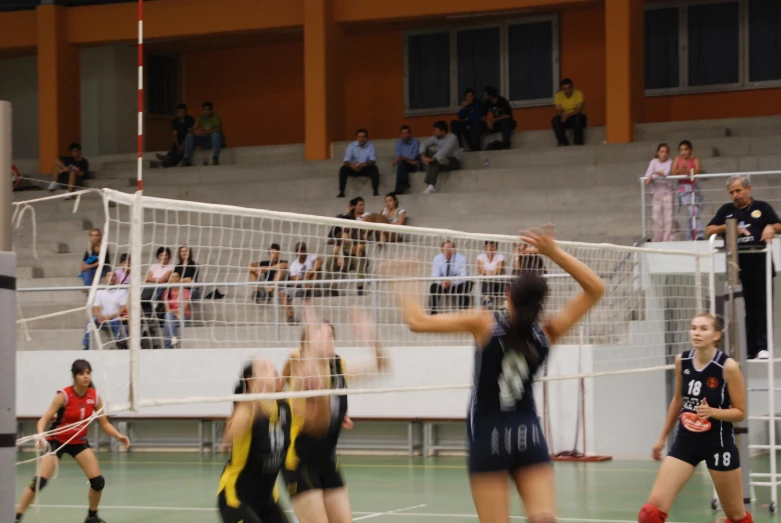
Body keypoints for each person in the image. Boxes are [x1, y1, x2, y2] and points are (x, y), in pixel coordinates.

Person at [399, 225, 604, 523]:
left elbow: (416, 322)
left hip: (488, 436)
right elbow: (596, 288)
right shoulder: (547, 333)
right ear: (541, 303)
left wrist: (405, 279)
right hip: (528, 434)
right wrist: (554, 252)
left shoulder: (485, 324)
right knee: (544, 517)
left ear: (507, 294)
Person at [640, 313, 750, 523]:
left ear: (716, 335)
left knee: (737, 517)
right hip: (686, 441)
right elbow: (677, 400)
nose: (697, 333)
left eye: (703, 329)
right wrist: (662, 438)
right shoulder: (682, 361)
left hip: (718, 444)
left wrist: (713, 412)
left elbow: (741, 412)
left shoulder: (728, 367)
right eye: (694, 328)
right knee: (650, 513)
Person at [282, 310, 387, 523]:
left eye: (331, 336)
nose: (328, 340)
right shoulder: (299, 369)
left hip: (328, 460)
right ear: (308, 343)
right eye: (320, 336)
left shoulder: (338, 366)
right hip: (299, 463)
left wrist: (373, 337)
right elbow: (314, 425)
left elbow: (382, 365)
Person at [15, 359, 131, 523]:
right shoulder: (63, 396)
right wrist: (40, 435)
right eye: (81, 373)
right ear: (74, 377)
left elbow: (104, 423)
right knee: (39, 482)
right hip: (57, 442)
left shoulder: (95, 397)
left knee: (98, 482)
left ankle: (92, 517)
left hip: (78, 442)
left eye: (88, 373)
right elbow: (44, 419)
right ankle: (16, 517)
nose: (85, 377)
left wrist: (118, 436)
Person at [706, 175, 781, 360]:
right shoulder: (727, 210)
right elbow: (709, 230)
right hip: (737, 264)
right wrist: (728, 227)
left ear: (748, 189)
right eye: (732, 192)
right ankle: (746, 348)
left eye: (738, 190)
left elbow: (779, 224)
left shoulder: (762, 207)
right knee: (741, 306)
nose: (735, 195)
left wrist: (770, 228)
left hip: (760, 261)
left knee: (761, 306)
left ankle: (762, 347)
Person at [218, 359, 291, 523]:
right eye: (265, 368)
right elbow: (228, 439)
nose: (273, 369)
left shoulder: (285, 407)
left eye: (273, 366)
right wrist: (248, 410)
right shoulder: (247, 409)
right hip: (236, 498)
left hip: (267, 499)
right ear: (252, 382)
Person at [83, 271, 128, 350]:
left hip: (115, 318)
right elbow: (95, 307)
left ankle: (120, 344)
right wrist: (99, 316)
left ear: (116, 278)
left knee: (116, 322)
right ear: (105, 279)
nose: (111, 278)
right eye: (108, 276)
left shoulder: (122, 291)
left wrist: (111, 316)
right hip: (103, 319)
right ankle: (86, 346)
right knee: (90, 322)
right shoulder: (99, 291)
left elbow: (123, 308)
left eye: (113, 276)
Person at [672, 140, 704, 240]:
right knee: (692, 211)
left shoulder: (695, 160)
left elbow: (698, 170)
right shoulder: (678, 159)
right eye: (681, 150)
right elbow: (673, 172)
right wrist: (680, 170)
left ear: (690, 150)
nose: (683, 152)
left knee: (693, 212)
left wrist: (689, 171)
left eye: (686, 149)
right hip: (683, 188)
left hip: (694, 187)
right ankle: (699, 234)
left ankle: (691, 237)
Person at [420, 121, 460, 194]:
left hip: (452, 160)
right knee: (430, 154)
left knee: (436, 161)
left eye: (436, 130)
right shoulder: (435, 137)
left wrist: (432, 159)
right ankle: (430, 186)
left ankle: (431, 185)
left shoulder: (452, 137)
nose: (434, 132)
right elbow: (424, 143)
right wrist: (423, 156)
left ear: (443, 131)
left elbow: (446, 150)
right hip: (439, 159)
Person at [645, 143, 675, 242]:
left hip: (667, 192)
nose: (664, 154)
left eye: (666, 152)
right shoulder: (653, 161)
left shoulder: (670, 161)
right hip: (657, 193)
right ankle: (657, 239)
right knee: (656, 217)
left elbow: (666, 173)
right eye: (662, 152)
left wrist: (654, 174)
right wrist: (654, 175)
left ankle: (668, 239)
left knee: (668, 218)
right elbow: (647, 174)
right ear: (657, 153)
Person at [338, 129, 379, 198]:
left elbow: (373, 160)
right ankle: (341, 192)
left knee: (374, 168)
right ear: (356, 138)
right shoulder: (351, 146)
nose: (361, 139)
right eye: (359, 137)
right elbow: (346, 160)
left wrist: (364, 164)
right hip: (353, 168)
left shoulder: (371, 145)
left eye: (363, 137)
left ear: (366, 138)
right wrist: (351, 165)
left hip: (364, 167)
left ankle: (375, 191)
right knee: (343, 169)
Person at [183, 101, 223, 166]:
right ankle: (186, 159)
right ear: (203, 110)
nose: (206, 111)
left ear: (211, 110)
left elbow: (218, 129)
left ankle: (215, 159)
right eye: (205, 109)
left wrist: (204, 132)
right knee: (189, 135)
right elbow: (194, 127)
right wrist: (192, 130)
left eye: (208, 109)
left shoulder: (215, 117)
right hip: (204, 141)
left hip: (213, 141)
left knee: (215, 134)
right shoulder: (201, 118)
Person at [157, 103, 195, 168]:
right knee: (175, 148)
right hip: (179, 140)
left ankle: (168, 161)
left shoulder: (190, 120)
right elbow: (175, 135)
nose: (181, 114)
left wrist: (183, 145)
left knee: (182, 152)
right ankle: (167, 159)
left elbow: (189, 133)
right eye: (180, 112)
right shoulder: (175, 121)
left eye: (183, 112)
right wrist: (178, 145)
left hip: (188, 141)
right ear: (177, 112)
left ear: (186, 112)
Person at [552, 78, 587, 146]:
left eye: (569, 88)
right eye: (564, 89)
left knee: (578, 118)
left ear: (572, 87)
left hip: (577, 117)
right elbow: (558, 110)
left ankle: (578, 142)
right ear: (562, 89)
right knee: (555, 120)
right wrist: (562, 115)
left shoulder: (578, 93)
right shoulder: (558, 95)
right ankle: (563, 143)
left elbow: (579, 109)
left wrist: (567, 115)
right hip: (565, 117)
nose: (567, 90)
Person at [162, 272, 191, 349]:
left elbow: (184, 307)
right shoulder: (166, 292)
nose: (174, 278)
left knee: (167, 321)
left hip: (184, 318)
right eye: (172, 277)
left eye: (176, 277)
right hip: (174, 318)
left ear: (179, 278)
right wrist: (176, 313)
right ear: (170, 279)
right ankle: (173, 337)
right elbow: (167, 309)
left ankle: (168, 347)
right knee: (168, 317)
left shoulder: (185, 291)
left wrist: (175, 312)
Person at [483, 86, 516, 150]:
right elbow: (482, 115)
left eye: (485, 94)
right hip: (497, 123)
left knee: (505, 121)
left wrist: (494, 120)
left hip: (507, 123)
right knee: (480, 123)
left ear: (490, 95)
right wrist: (488, 121)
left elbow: (507, 116)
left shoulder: (502, 101)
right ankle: (477, 146)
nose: (484, 96)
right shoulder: (488, 102)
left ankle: (506, 144)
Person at [477, 240, 505, 309]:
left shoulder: (500, 257)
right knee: (485, 280)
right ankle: (487, 300)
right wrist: (488, 273)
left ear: (495, 248)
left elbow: (498, 270)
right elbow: (481, 270)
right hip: (485, 281)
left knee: (489, 280)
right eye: (488, 246)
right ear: (485, 248)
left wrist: (487, 272)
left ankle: (487, 300)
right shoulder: (480, 257)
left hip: (497, 283)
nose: (490, 248)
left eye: (492, 246)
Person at [392, 125, 420, 194]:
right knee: (401, 163)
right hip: (404, 164)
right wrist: (401, 158)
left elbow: (413, 157)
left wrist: (400, 158)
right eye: (403, 133)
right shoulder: (399, 143)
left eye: (407, 133)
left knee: (401, 162)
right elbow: (398, 155)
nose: (405, 135)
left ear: (410, 133)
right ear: (401, 134)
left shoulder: (416, 142)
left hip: (413, 165)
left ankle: (399, 188)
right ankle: (404, 184)